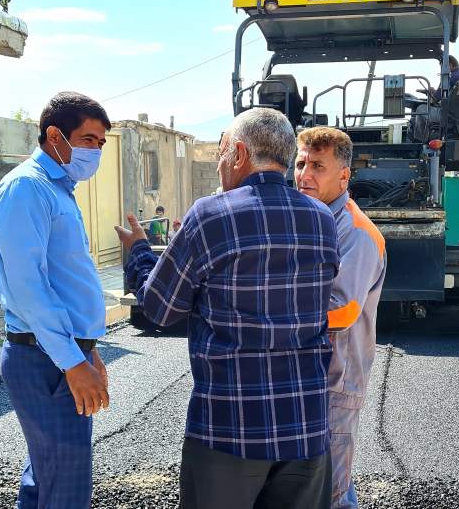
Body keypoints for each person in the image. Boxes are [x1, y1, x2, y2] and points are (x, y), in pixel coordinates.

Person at [116, 107, 339, 509]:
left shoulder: (211, 215)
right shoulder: (322, 219)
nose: (220, 164)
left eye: (220, 152)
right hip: (306, 425)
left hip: (229, 426)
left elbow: (160, 309)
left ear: (237, 153)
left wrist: (137, 253)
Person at [0, 92, 112, 508]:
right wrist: (72, 361)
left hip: (58, 354)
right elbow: (29, 288)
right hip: (45, 359)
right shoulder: (27, 188)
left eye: (100, 142)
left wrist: (87, 350)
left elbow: (66, 280)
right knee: (66, 486)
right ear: (54, 135)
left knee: (46, 475)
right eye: (88, 139)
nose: (95, 150)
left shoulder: (58, 189)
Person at [294, 127, 386, 509]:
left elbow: (343, 309)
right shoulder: (309, 219)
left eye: (318, 165)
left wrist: (273, 310)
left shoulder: (357, 232)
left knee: (331, 490)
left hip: (337, 382)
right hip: (312, 375)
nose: (304, 174)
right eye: (300, 163)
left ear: (344, 176)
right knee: (312, 484)